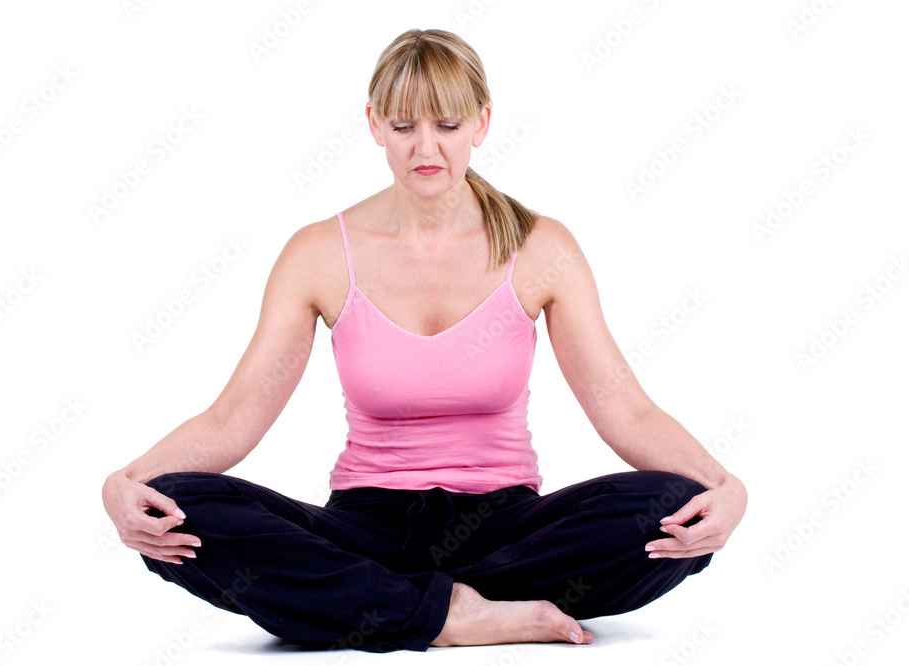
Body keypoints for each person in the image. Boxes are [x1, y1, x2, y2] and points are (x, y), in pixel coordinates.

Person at [101, 27, 747, 653]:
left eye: (448, 124)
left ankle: (367, 603)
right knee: (179, 509)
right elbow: (235, 416)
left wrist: (724, 487)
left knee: (675, 507)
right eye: (405, 127)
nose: (425, 148)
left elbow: (625, 408)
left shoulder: (540, 247)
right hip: (363, 525)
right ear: (375, 124)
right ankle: (455, 614)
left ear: (482, 123)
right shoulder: (320, 253)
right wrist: (126, 482)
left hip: (507, 529)